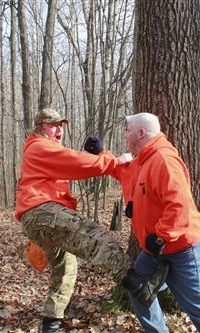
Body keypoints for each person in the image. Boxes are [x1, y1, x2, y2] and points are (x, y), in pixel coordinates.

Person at [15, 108, 169, 333]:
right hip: (42, 212)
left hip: (38, 218)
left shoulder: (43, 150)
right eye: (53, 125)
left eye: (61, 126)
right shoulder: (39, 146)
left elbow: (74, 161)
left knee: (65, 268)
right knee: (96, 238)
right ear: (40, 128)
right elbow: (76, 162)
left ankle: (51, 323)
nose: (59, 130)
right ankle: (139, 285)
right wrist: (114, 161)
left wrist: (99, 154)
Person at [86, 113, 200, 332]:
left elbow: (179, 207)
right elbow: (124, 171)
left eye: (128, 130)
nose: (125, 135)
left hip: (185, 249)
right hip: (155, 250)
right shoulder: (143, 159)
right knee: (139, 291)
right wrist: (101, 154)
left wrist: (160, 237)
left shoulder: (164, 160)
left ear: (142, 133)